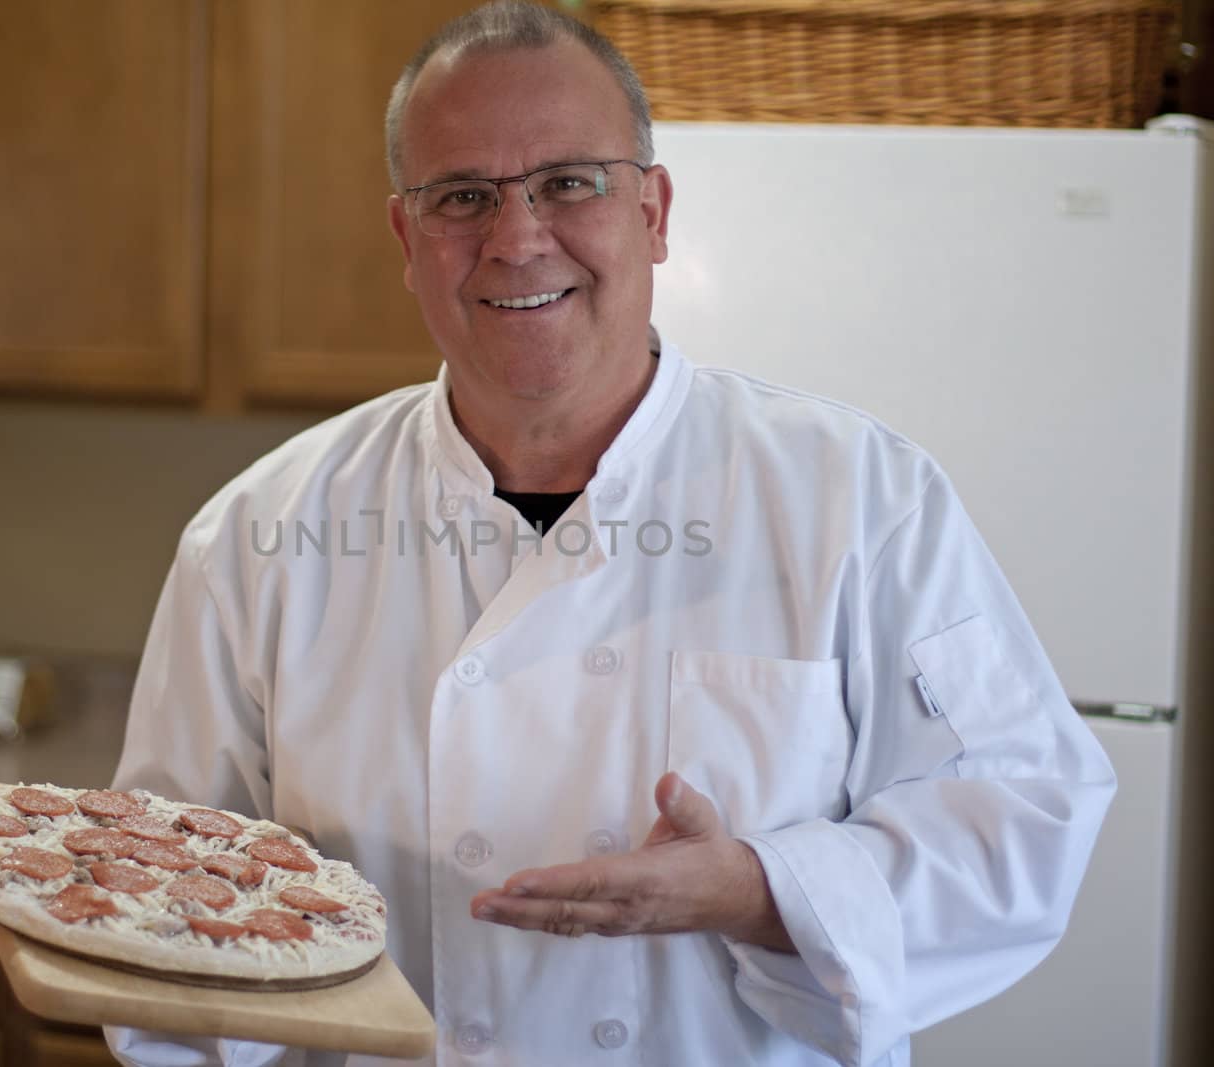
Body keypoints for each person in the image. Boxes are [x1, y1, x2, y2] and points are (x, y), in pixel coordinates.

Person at [105, 3, 1115, 1064]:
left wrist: (762, 888)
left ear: (654, 209)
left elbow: (1022, 818)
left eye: (568, 182)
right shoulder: (260, 534)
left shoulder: (858, 496)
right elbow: (160, 900)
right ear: (408, 240)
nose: (516, 237)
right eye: (461, 198)